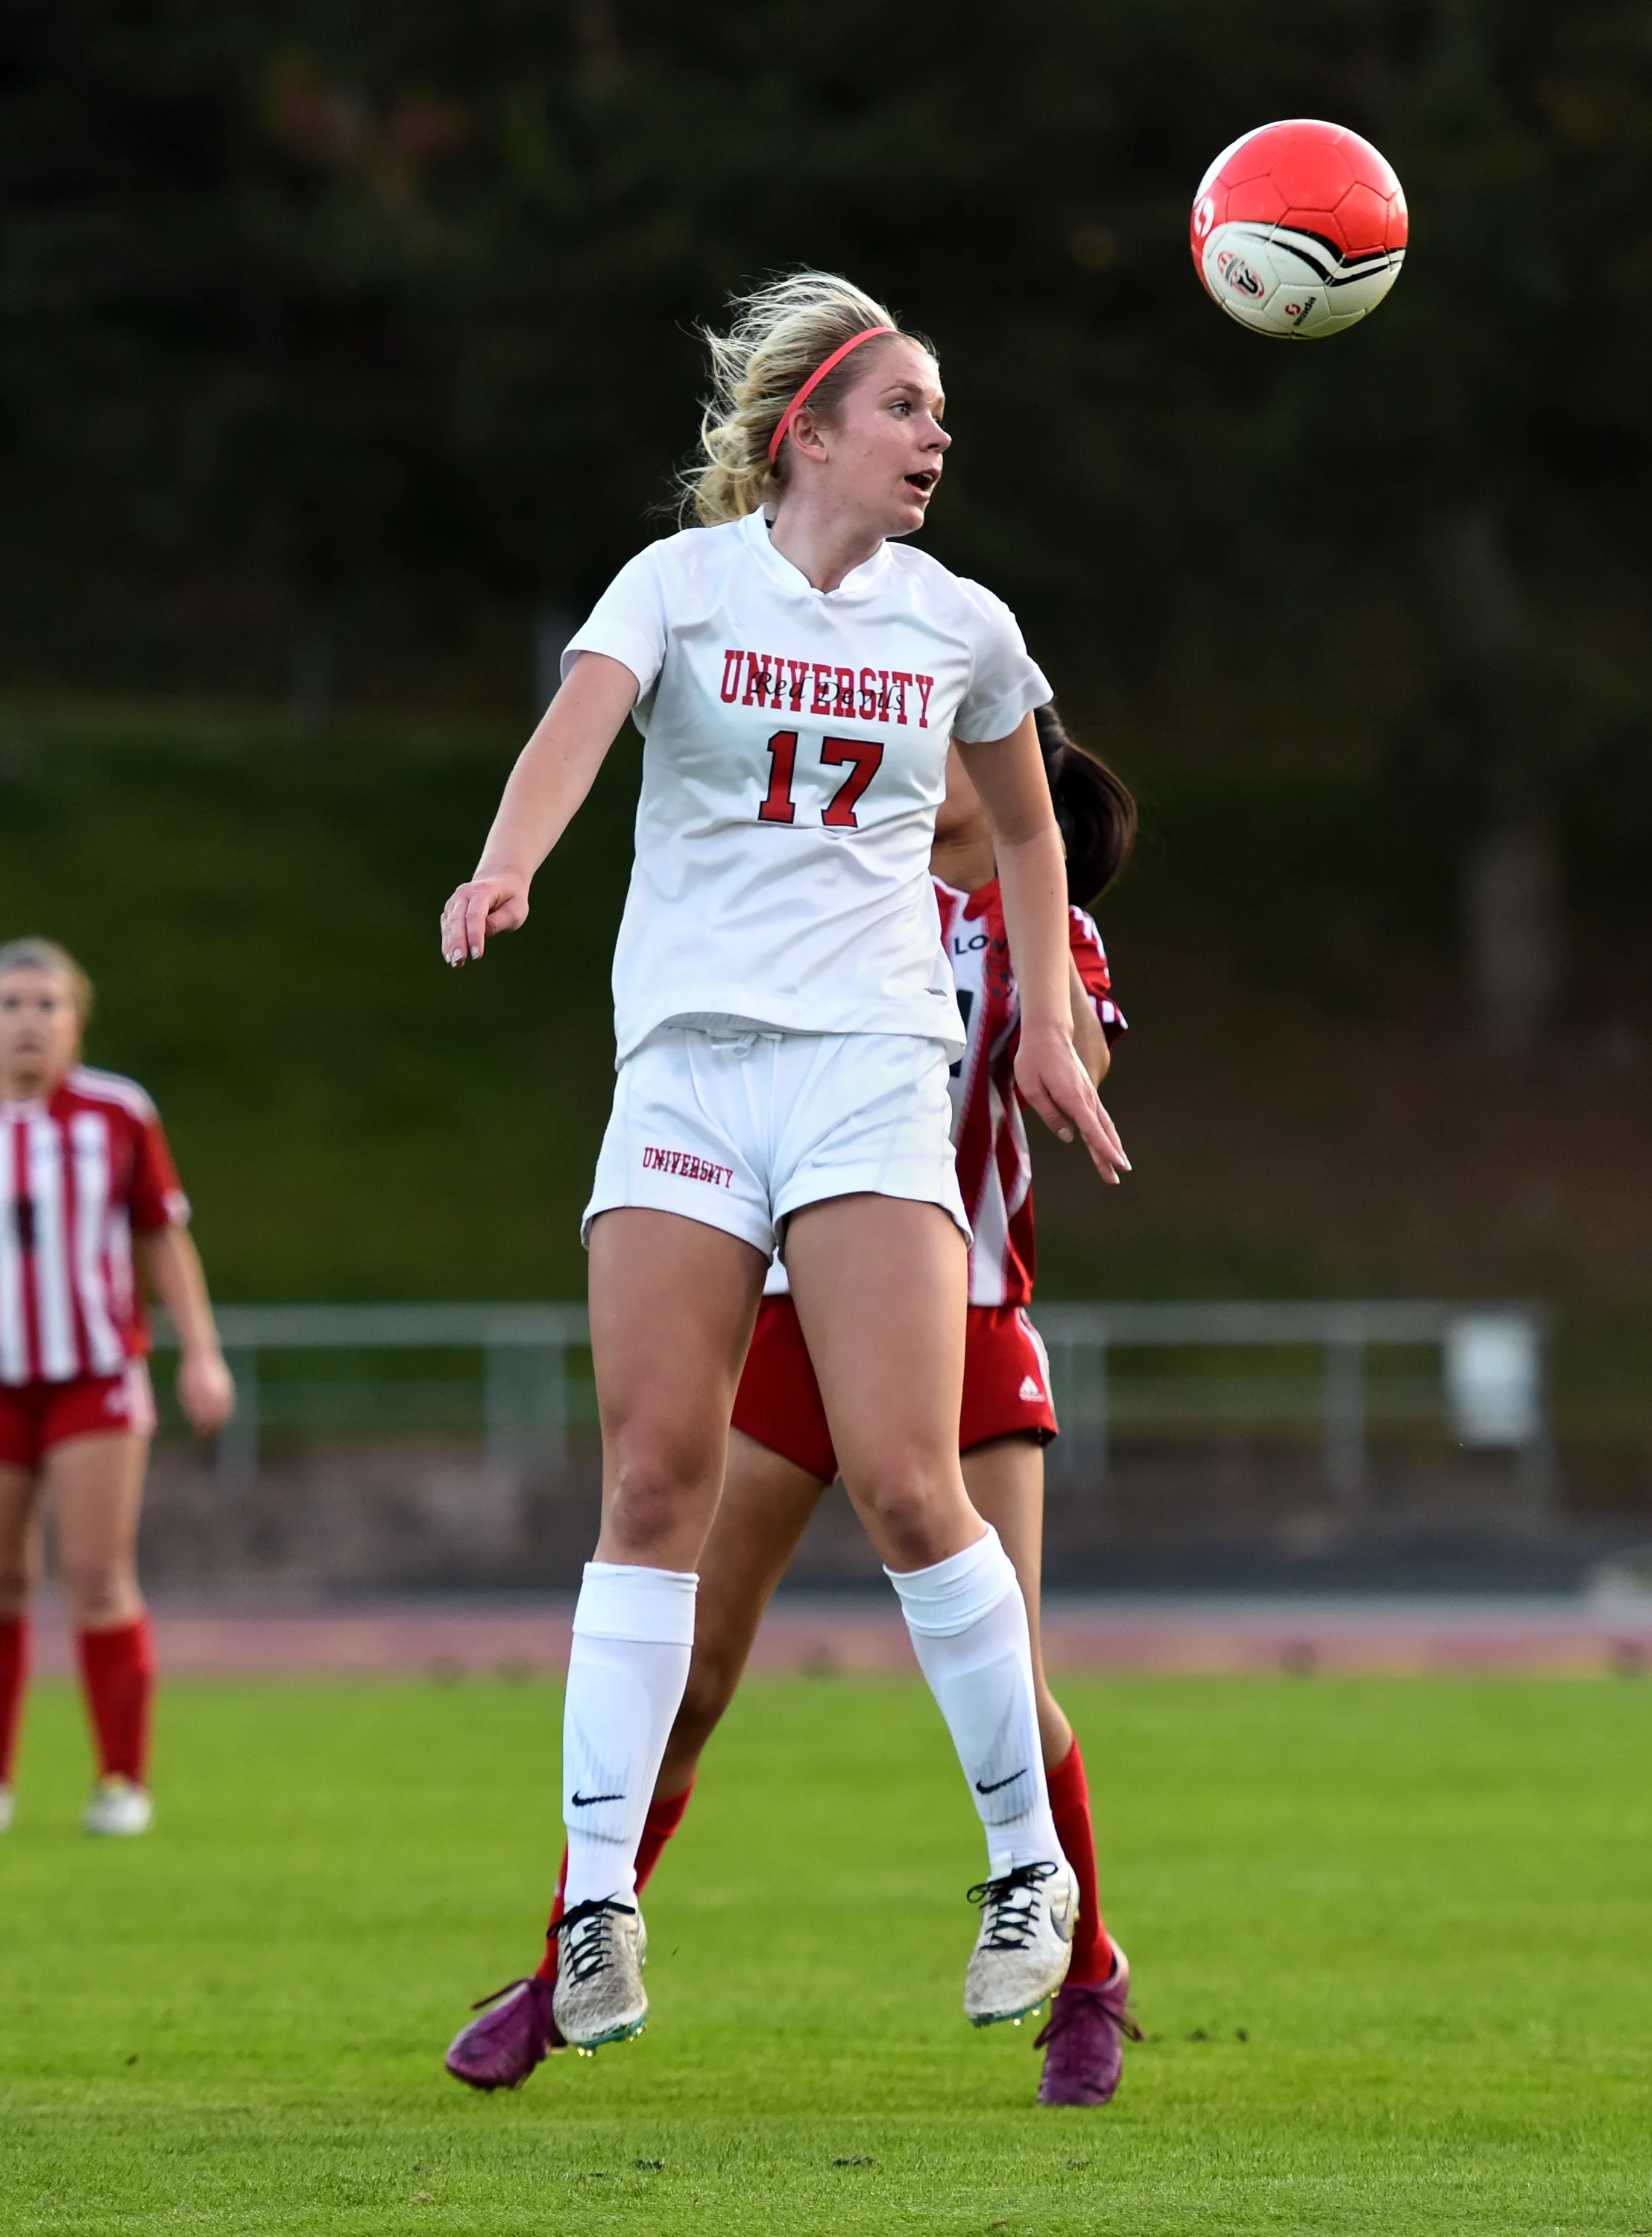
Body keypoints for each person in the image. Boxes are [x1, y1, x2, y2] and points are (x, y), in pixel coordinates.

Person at [440, 271, 1129, 2057]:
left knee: (912, 1482)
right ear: (802, 430)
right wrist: (508, 859)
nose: (937, 435)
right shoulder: (676, 587)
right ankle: (593, 1910)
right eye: (906, 405)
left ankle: (1021, 1869)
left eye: (941, 410)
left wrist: (1044, 1022)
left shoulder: (961, 623)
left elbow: (1038, 825)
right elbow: (575, 725)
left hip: (863, 1077)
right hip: (685, 1065)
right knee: (649, 1484)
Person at [0, 937, 235, 1834]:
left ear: (75, 1020)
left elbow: (161, 1237)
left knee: (96, 1574)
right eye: (12, 1004)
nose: (28, 1023)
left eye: (46, 1005)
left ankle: (121, 1781)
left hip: (93, 1376)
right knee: (2, 1581)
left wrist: (200, 1351)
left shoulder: (115, 1113)